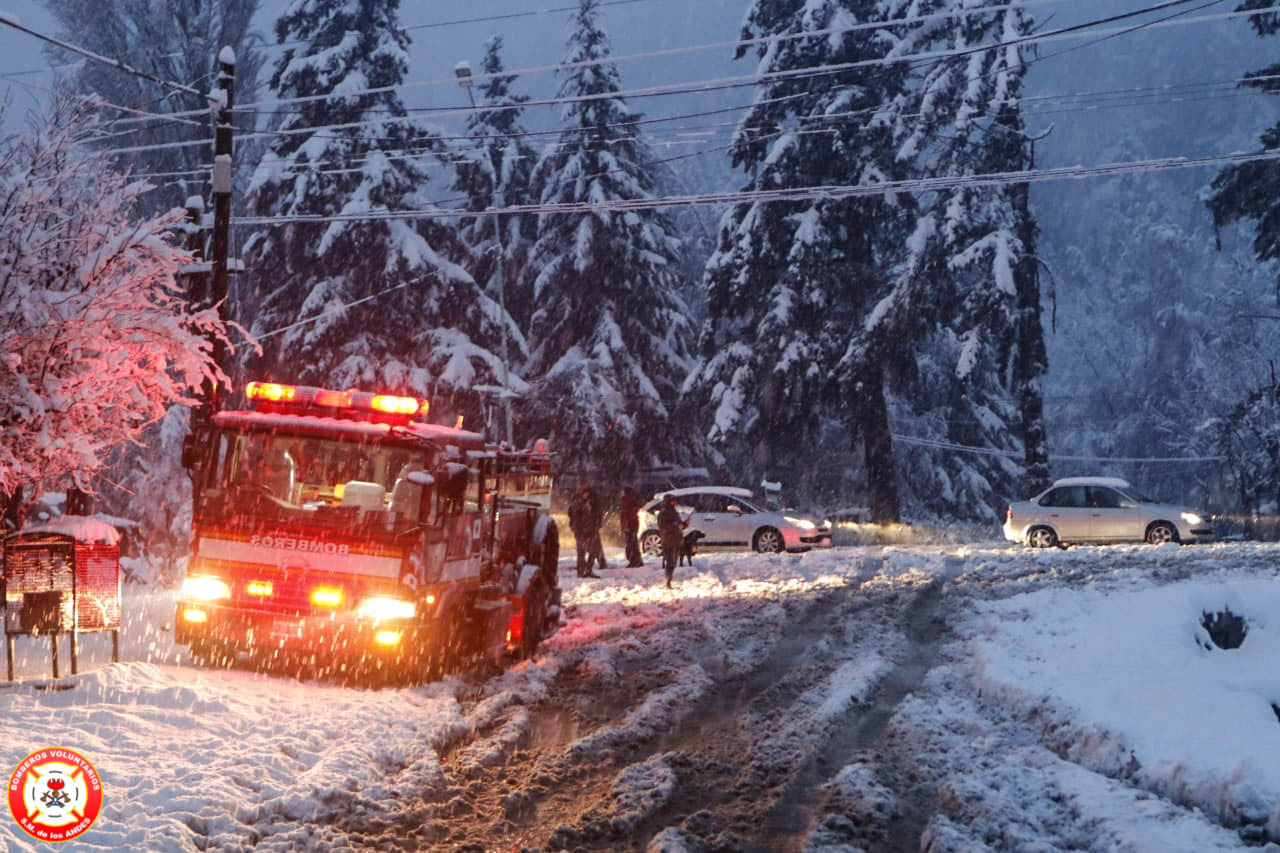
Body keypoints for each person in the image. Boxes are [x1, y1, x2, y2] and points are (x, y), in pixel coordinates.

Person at [568, 486, 602, 578]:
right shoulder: (577, 504)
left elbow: (597, 515)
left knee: (593, 551)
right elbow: (574, 519)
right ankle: (581, 571)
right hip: (581, 532)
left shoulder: (592, 503)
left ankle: (588, 570)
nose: (586, 495)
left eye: (587, 493)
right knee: (581, 552)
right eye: (585, 493)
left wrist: (597, 526)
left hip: (590, 530)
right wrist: (578, 530)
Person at [656, 494, 687, 589]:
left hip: (676, 539)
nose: (675, 502)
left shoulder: (674, 512)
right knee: (670, 560)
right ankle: (668, 580)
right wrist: (676, 525)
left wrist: (685, 524)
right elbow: (663, 527)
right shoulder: (663, 513)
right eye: (673, 501)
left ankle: (669, 579)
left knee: (673, 561)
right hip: (668, 540)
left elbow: (680, 524)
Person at [620, 486, 643, 568]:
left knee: (630, 544)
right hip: (633, 525)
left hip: (629, 526)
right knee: (633, 544)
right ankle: (637, 560)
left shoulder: (626, 501)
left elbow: (625, 515)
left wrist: (625, 526)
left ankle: (634, 561)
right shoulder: (633, 501)